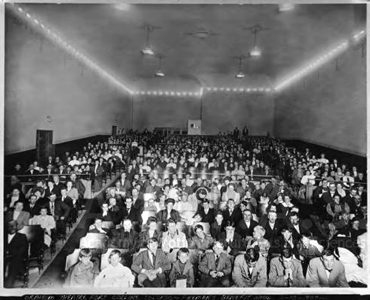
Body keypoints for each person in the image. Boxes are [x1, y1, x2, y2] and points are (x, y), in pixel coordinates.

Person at [4, 220, 28, 288]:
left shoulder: (22, 237)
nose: (11, 227)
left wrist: (8, 252)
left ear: (17, 226)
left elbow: (21, 251)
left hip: (16, 258)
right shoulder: (3, 236)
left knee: (14, 263)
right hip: (4, 258)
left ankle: (8, 286)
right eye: (9, 226)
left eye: (13, 225)